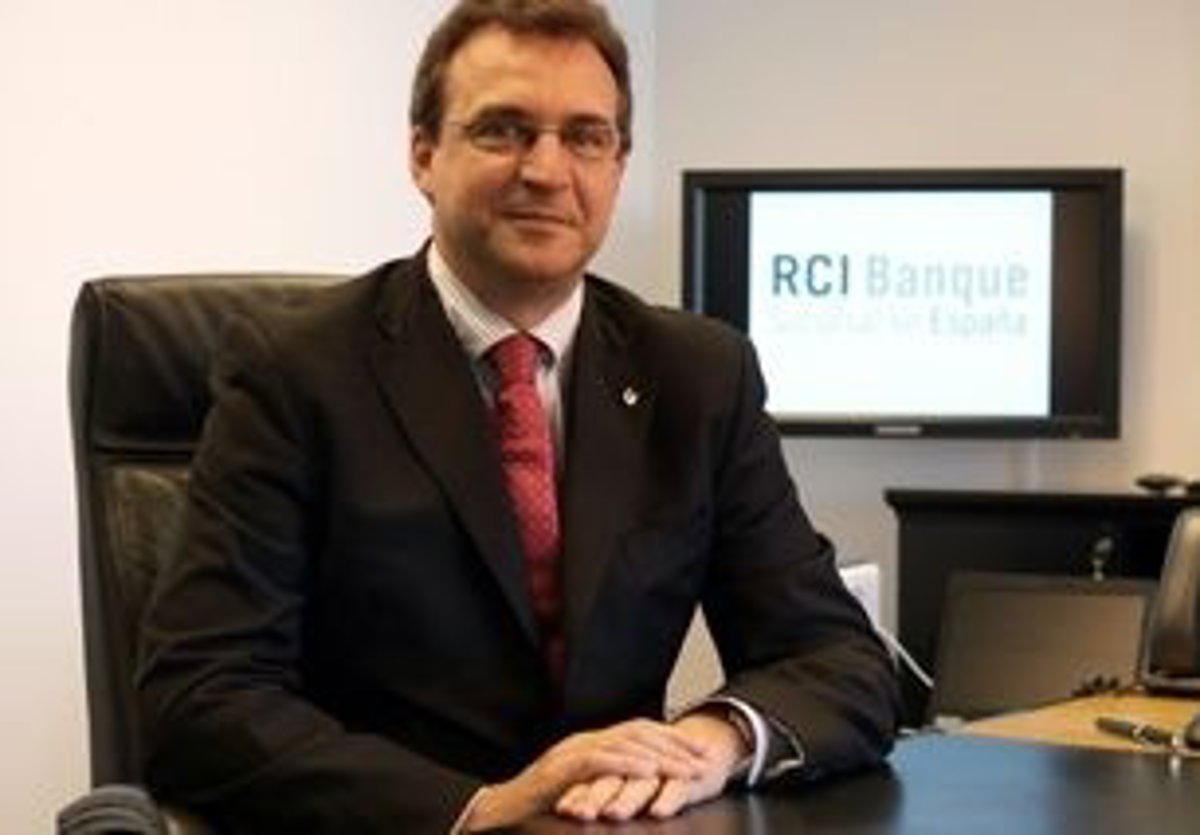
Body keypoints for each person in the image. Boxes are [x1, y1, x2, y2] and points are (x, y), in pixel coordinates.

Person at [137, 0, 901, 832]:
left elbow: (840, 659)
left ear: (618, 164)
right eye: (503, 131)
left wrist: (709, 742)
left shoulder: (699, 375)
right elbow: (201, 699)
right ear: (423, 154)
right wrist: (485, 806)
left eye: (586, 137)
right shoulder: (296, 372)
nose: (546, 170)